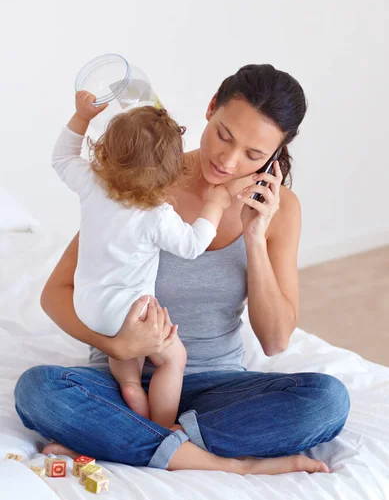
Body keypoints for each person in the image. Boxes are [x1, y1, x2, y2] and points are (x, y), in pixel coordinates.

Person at [14, 64, 350, 476]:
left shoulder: (280, 211)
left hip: (215, 389)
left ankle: (134, 440)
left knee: (327, 401)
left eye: (253, 154)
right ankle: (227, 464)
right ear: (211, 109)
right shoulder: (144, 174)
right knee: (39, 390)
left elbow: (276, 340)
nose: (228, 160)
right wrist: (117, 347)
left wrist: (254, 237)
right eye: (224, 135)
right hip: (122, 383)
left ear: (275, 156)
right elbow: (57, 292)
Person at [51, 92, 231, 428]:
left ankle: (130, 385)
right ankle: (160, 430)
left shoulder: (93, 183)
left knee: (127, 360)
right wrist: (215, 206)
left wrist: (81, 116)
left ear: (105, 150)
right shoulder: (156, 215)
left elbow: (61, 158)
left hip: (88, 306)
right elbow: (193, 245)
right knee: (173, 360)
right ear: (169, 175)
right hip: (130, 312)